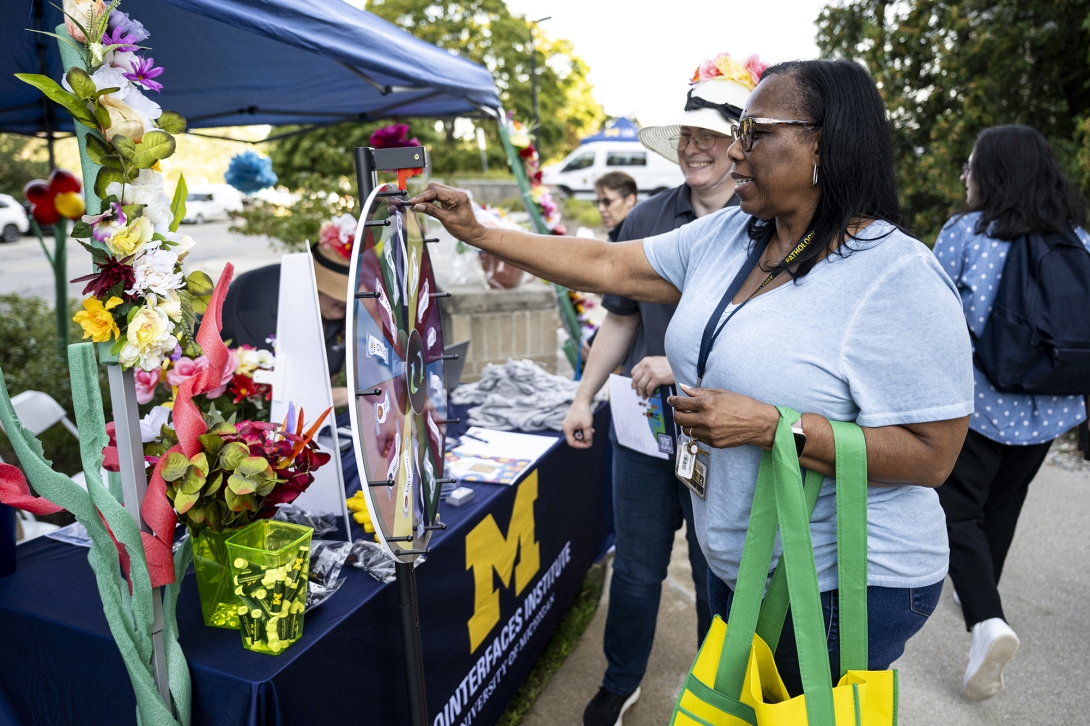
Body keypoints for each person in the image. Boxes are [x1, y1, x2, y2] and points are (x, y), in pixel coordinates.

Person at [412, 57, 974, 702]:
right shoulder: (732, 235)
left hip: (841, 580)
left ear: (825, 142)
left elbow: (933, 456)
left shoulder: (897, 277)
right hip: (746, 561)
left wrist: (772, 428)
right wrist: (482, 231)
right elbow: (605, 264)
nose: (735, 152)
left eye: (755, 133)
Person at [561, 59, 745, 726]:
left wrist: (683, 362)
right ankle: (621, 680)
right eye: (686, 136)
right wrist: (584, 397)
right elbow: (619, 317)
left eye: (711, 136)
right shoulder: (646, 219)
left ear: (744, 143)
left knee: (717, 572)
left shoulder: (770, 223)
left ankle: (717, 692)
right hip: (642, 433)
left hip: (726, 438)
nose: (694, 147)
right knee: (636, 570)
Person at [932, 125, 1090, 701]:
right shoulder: (1077, 237)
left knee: (955, 510)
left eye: (970, 167)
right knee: (1003, 502)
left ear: (993, 174)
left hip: (979, 403)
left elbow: (930, 314)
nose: (965, 178)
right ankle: (982, 593)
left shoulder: (967, 234)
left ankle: (985, 620)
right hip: (1052, 406)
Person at [219, 241, 351, 406]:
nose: (345, 301)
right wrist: (349, 396)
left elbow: (326, 377)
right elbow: (277, 396)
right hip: (223, 403)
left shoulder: (336, 310)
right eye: (338, 291)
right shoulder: (260, 306)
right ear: (314, 284)